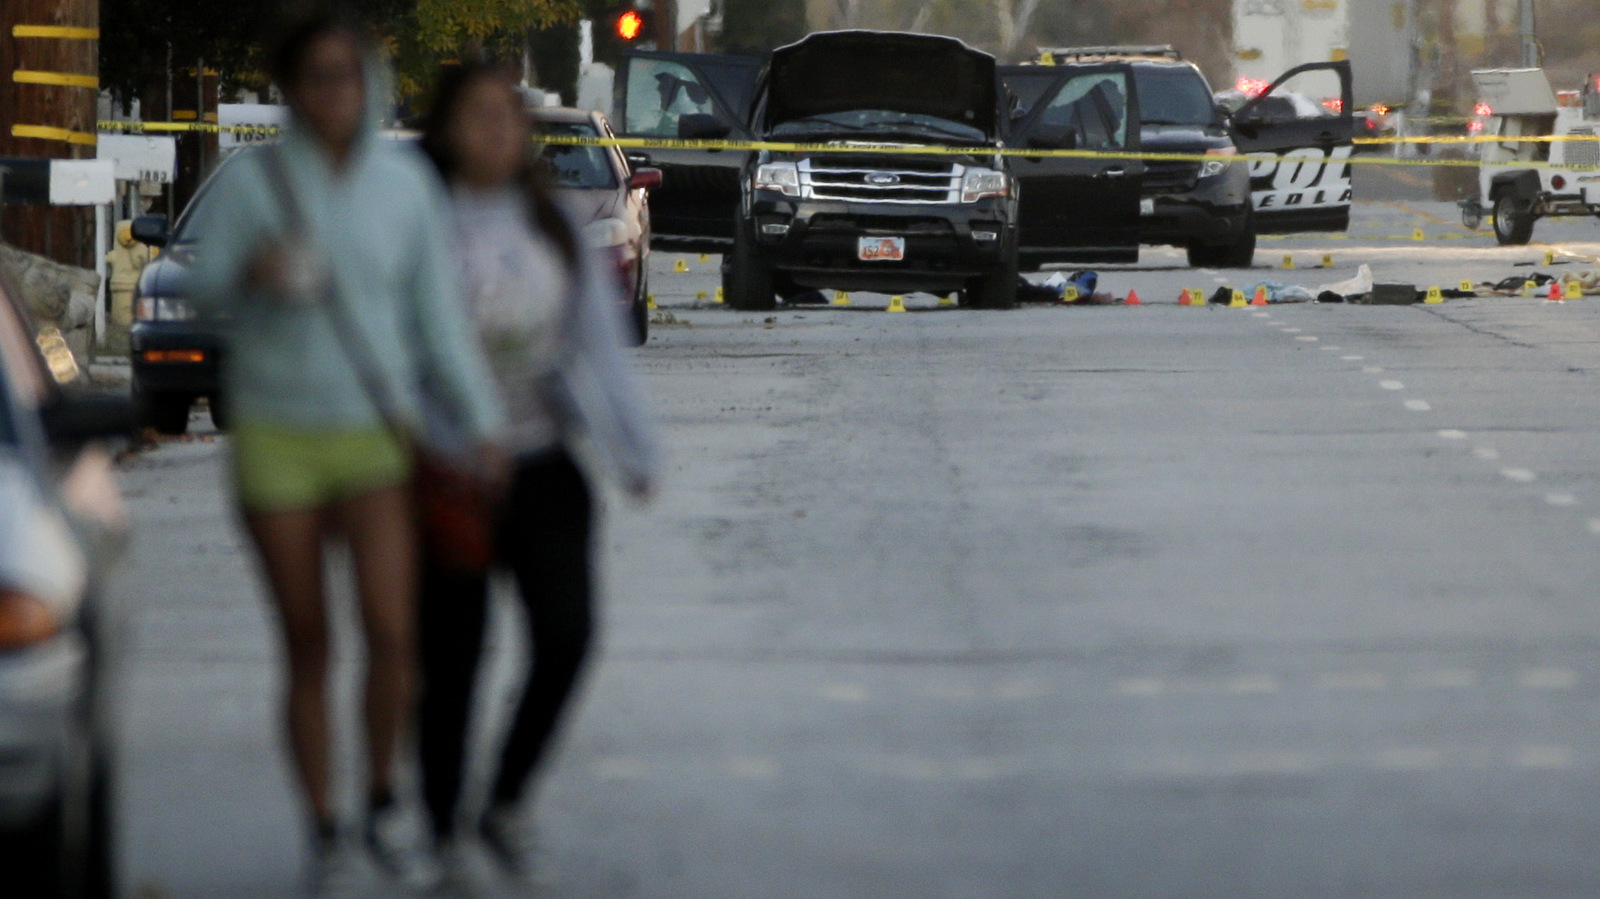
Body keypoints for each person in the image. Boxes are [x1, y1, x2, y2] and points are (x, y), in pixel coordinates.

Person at [184, 10, 506, 892]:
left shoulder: (404, 188)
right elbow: (200, 279)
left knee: (394, 629)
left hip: (375, 432)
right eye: (316, 78)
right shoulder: (256, 182)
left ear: (369, 82)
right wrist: (251, 270)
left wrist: (481, 422)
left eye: (347, 74)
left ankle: (382, 800)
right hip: (278, 434)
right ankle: (325, 822)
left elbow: (439, 319)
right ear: (290, 91)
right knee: (308, 638)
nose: (333, 93)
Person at [416, 61, 661, 884]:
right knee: (453, 659)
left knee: (567, 635)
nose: (495, 130)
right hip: (447, 473)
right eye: (477, 116)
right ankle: (444, 825)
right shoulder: (423, 226)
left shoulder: (550, 225)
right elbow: (397, 352)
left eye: (507, 116)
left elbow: (600, 345)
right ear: (447, 131)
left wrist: (635, 451)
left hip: (544, 465)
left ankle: (505, 798)